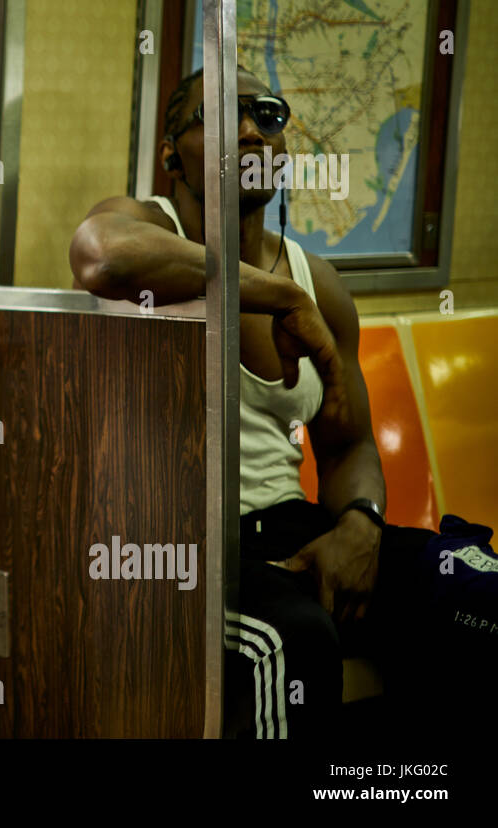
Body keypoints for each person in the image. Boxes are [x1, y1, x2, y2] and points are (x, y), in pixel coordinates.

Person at [68, 66, 495, 738]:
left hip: (293, 528)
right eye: (222, 115)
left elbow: (348, 444)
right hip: (185, 545)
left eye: (266, 116)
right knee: (290, 642)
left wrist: (360, 523)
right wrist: (279, 299)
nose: (250, 132)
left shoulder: (320, 283)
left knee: (478, 588)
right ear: (172, 153)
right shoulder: (149, 226)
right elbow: (101, 257)